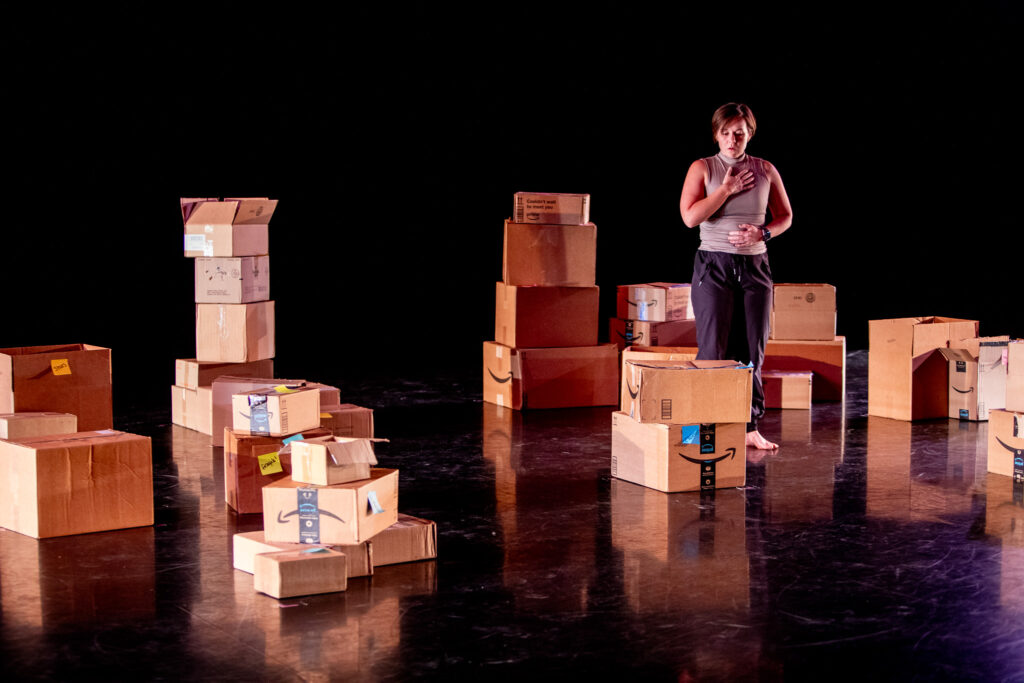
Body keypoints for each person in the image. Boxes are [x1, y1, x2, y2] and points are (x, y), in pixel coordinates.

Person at [678, 103, 793, 450]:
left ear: (749, 134)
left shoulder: (766, 169)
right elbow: (689, 217)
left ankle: (749, 427)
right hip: (713, 265)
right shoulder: (703, 168)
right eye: (726, 132)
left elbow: (785, 216)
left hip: (755, 267)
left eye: (739, 132)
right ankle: (701, 427)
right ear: (716, 134)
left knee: (751, 352)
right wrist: (725, 190)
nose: (732, 139)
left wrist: (763, 234)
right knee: (714, 350)